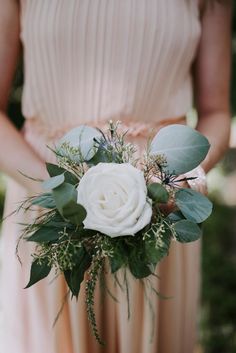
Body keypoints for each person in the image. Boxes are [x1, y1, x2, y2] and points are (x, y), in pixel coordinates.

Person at [0, 1, 232, 353]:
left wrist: (185, 179)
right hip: (48, 198)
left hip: (158, 204)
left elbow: (215, 111)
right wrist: (58, 193)